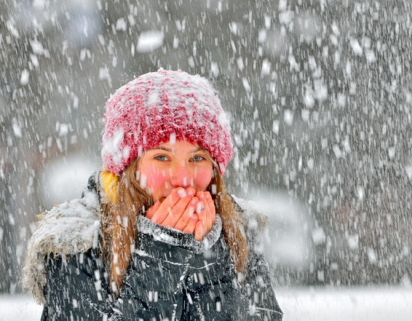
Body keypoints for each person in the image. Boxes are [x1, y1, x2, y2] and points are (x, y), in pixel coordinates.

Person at [22, 69, 283, 320]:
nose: (182, 178)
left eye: (197, 158)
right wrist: (161, 255)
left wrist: (209, 254)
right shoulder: (78, 244)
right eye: (161, 157)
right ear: (127, 168)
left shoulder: (236, 229)